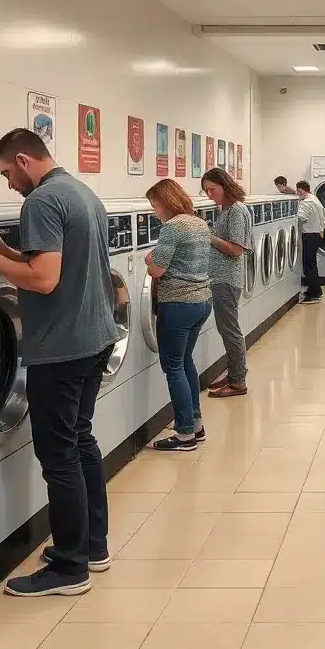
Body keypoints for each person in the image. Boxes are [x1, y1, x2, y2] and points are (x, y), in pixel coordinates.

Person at [0, 128, 117, 597]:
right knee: (81, 441)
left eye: (7, 173)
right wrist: (6, 251)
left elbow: (44, 279)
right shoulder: (82, 193)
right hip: (94, 338)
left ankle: (70, 568)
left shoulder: (41, 201)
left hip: (61, 348)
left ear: (24, 161)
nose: (9, 183)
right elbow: (55, 264)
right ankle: (92, 546)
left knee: (59, 455)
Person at [144, 178, 212, 449]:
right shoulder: (199, 223)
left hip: (178, 304)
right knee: (185, 361)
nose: (154, 211)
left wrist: (149, 261)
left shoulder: (171, 228)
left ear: (165, 201)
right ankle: (196, 425)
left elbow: (157, 270)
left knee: (173, 367)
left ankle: (184, 434)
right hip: (201, 302)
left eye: (154, 205)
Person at [201, 167, 253, 398]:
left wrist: (208, 236)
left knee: (230, 330)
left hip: (226, 279)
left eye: (212, 189)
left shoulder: (236, 211)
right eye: (206, 191)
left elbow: (236, 249)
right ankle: (233, 374)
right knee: (226, 329)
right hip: (220, 278)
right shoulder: (227, 210)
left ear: (225, 185)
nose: (209, 195)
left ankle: (238, 381)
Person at [296, 180, 325, 303]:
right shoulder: (315, 200)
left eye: (299, 191)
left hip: (309, 235)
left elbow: (301, 218)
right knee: (312, 264)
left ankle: (315, 293)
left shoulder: (305, 203)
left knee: (308, 265)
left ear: (304, 190)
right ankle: (312, 290)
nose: (298, 194)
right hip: (318, 235)